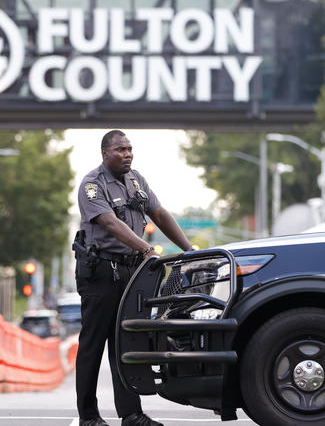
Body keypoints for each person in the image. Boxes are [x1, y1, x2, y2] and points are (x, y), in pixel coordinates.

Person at [74, 130, 194, 426]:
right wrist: (146, 248)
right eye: (120, 149)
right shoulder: (92, 185)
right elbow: (110, 223)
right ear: (105, 153)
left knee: (125, 342)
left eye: (130, 149)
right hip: (101, 272)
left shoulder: (136, 180)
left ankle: (131, 414)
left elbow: (160, 214)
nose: (127, 154)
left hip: (131, 270)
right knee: (93, 343)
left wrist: (189, 249)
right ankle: (88, 415)